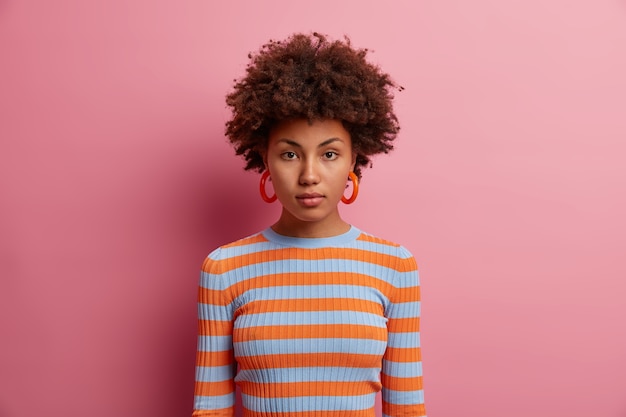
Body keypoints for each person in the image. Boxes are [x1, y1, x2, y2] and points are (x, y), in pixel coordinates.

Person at [192, 32, 426, 417]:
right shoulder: (223, 270)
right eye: (289, 154)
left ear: (354, 159)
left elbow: (407, 410)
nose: (309, 175)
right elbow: (211, 409)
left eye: (330, 153)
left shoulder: (395, 266)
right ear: (264, 158)